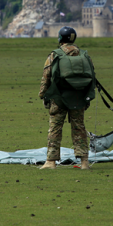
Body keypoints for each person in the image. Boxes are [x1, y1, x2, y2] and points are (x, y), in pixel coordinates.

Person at [39, 26, 96, 170]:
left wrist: (42, 94)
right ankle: (84, 162)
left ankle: (51, 162)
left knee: (55, 129)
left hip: (59, 97)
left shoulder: (55, 55)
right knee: (79, 129)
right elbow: (92, 76)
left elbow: (46, 77)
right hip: (79, 97)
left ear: (60, 38)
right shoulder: (84, 55)